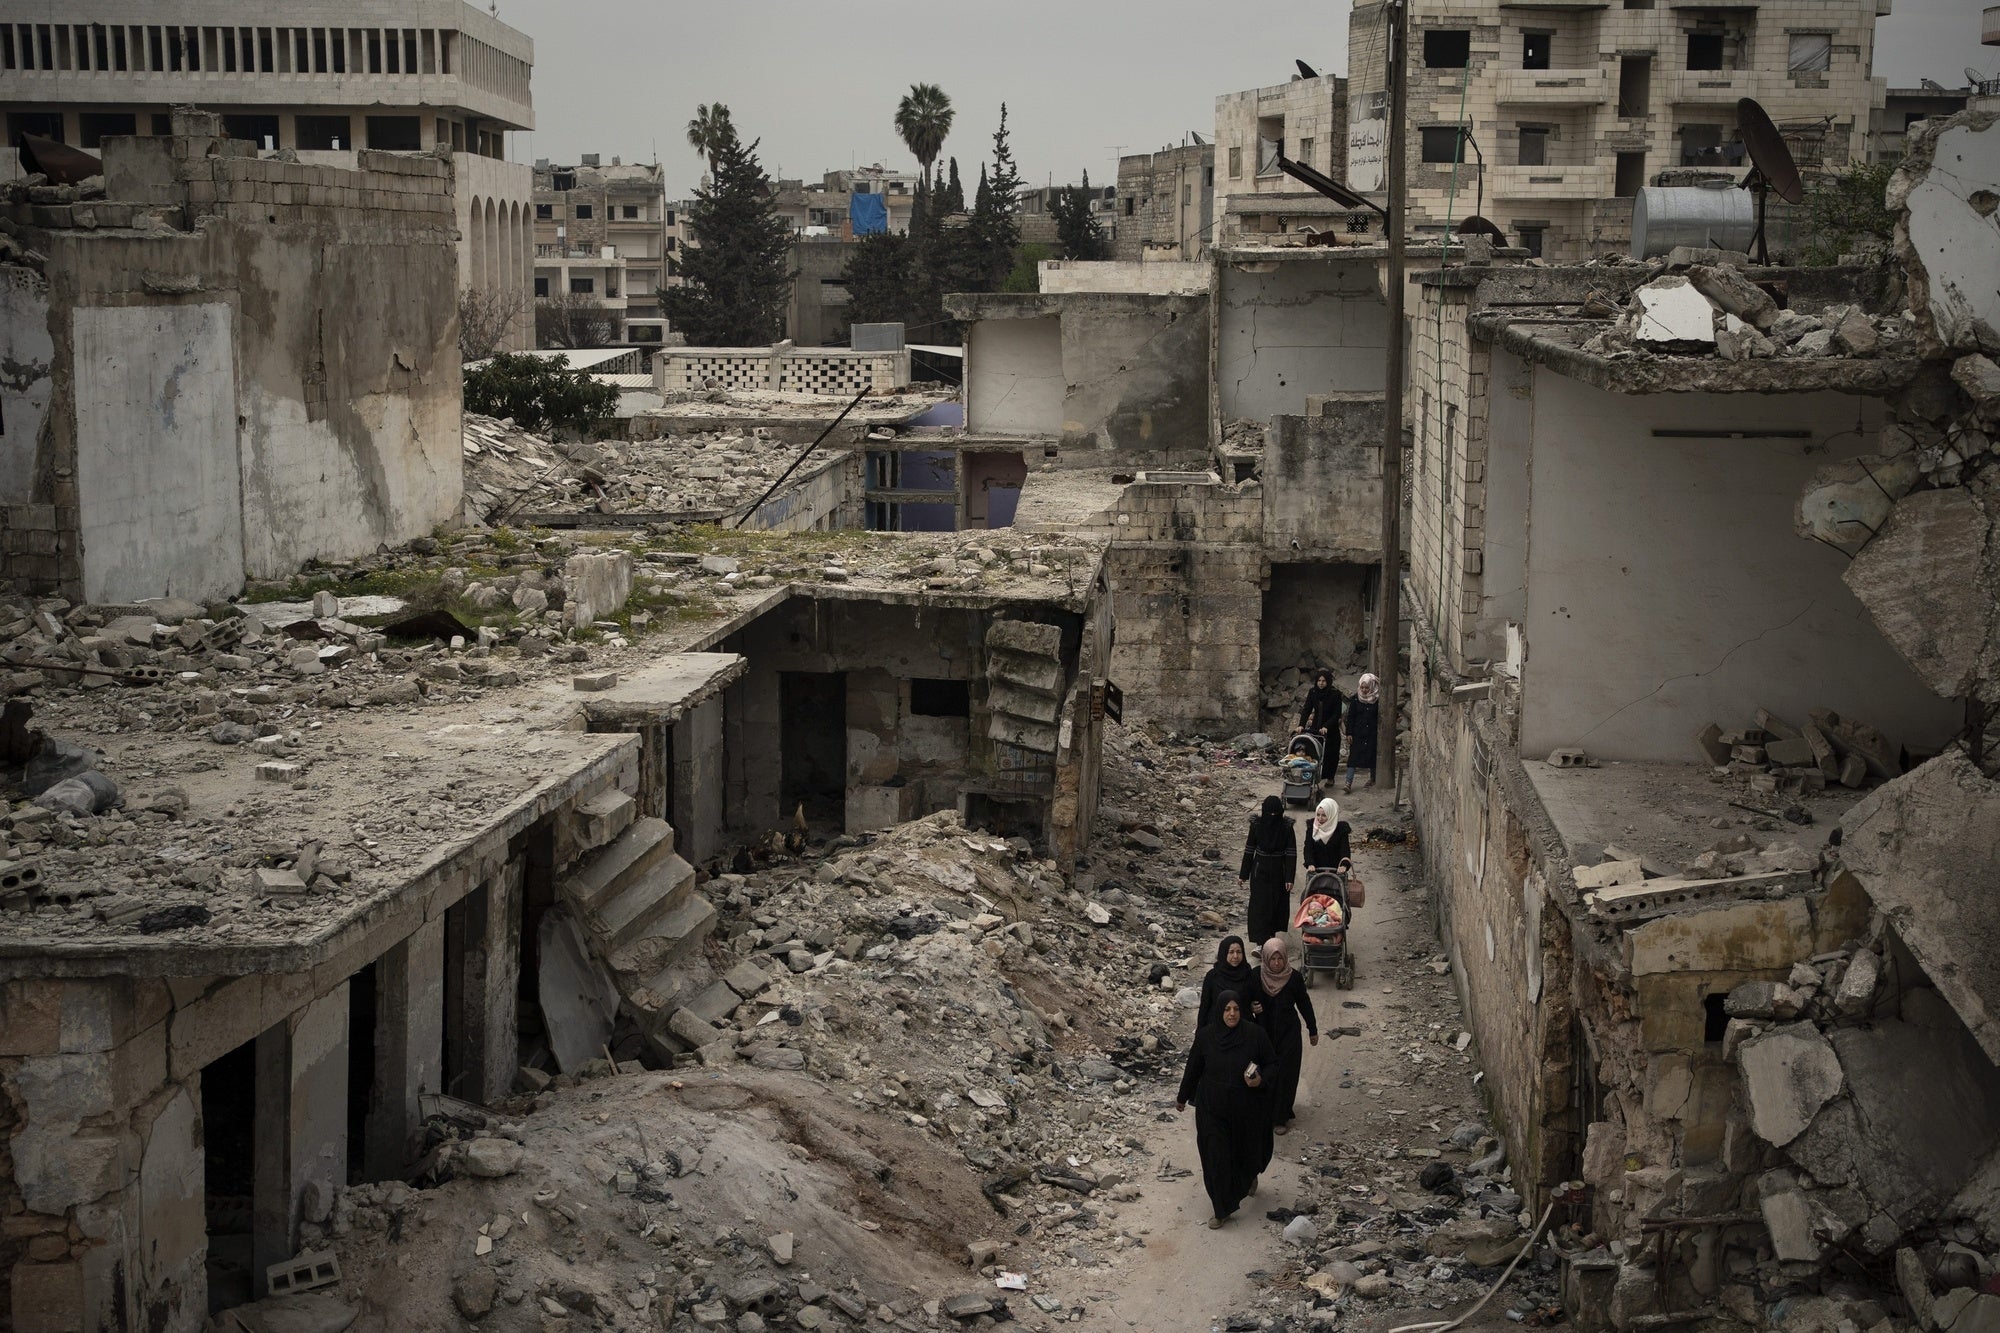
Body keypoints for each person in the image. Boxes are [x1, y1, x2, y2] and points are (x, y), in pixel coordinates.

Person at [1175, 990, 1280, 1228]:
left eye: (1235, 1009)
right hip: (1211, 1108)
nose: (1231, 1014)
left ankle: (1248, 1176)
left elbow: (1273, 1064)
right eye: (1226, 1009)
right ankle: (1221, 1209)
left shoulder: (1255, 1035)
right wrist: (1182, 1097)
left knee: (1242, 1156)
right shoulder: (1206, 1037)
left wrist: (1260, 1080)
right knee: (1215, 1158)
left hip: (1245, 1111)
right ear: (1219, 1011)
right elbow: (1193, 1068)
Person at [1253, 936, 1319, 1134]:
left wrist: (1312, 1029)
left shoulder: (1294, 978)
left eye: (1279, 958)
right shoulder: (1256, 975)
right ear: (1265, 958)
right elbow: (1244, 997)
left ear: (1285, 958)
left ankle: (1281, 1116)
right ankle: (1264, 1114)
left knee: (1286, 1075)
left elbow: (1304, 1004)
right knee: (1264, 1073)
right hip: (1263, 1034)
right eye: (1272, 959)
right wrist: (1250, 1006)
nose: (1276, 963)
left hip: (1289, 1034)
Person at [1238, 795, 1296, 947]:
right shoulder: (1256, 826)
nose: (1272, 817)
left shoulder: (1286, 828)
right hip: (1259, 871)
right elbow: (1249, 850)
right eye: (1269, 814)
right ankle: (1260, 941)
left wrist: (1289, 878)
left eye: (1274, 814)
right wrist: (1243, 875)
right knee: (1259, 906)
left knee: (1277, 905)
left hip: (1279, 872)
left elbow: (1291, 854)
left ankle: (1272, 938)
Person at [1197, 935, 1261, 1030]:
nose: (1235, 956)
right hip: (1216, 1028)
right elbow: (1204, 1007)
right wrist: (1200, 1035)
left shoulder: (1249, 975)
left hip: (1242, 1029)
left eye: (1238, 952)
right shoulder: (1213, 976)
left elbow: (1256, 1003)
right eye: (1231, 952)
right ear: (1224, 953)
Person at [1298, 671, 1343, 777]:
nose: (1321, 683)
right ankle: (1313, 775)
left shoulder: (1335, 694)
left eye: (1323, 681)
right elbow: (1307, 709)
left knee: (1331, 754)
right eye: (1319, 681)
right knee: (1314, 751)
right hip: (1316, 727)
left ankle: (1330, 777)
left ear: (1328, 681)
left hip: (1330, 728)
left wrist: (1326, 726)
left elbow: (1336, 714)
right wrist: (1301, 725)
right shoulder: (1313, 692)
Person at [1342, 673, 1381, 793]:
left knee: (1372, 756)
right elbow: (1351, 717)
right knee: (1353, 758)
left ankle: (1373, 779)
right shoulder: (1356, 699)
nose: (1364, 690)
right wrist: (1349, 733)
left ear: (1372, 687)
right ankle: (1348, 783)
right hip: (1358, 733)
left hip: (1372, 733)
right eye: (1362, 687)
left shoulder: (1377, 700)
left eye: (1367, 688)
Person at [1302, 797, 1352, 880]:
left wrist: (1344, 865)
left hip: (1336, 873)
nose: (1320, 818)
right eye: (1318, 815)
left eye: (1324, 815)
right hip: (1316, 872)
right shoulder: (1312, 828)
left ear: (1331, 815)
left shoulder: (1341, 830)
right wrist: (1310, 863)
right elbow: (1308, 848)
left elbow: (1345, 849)